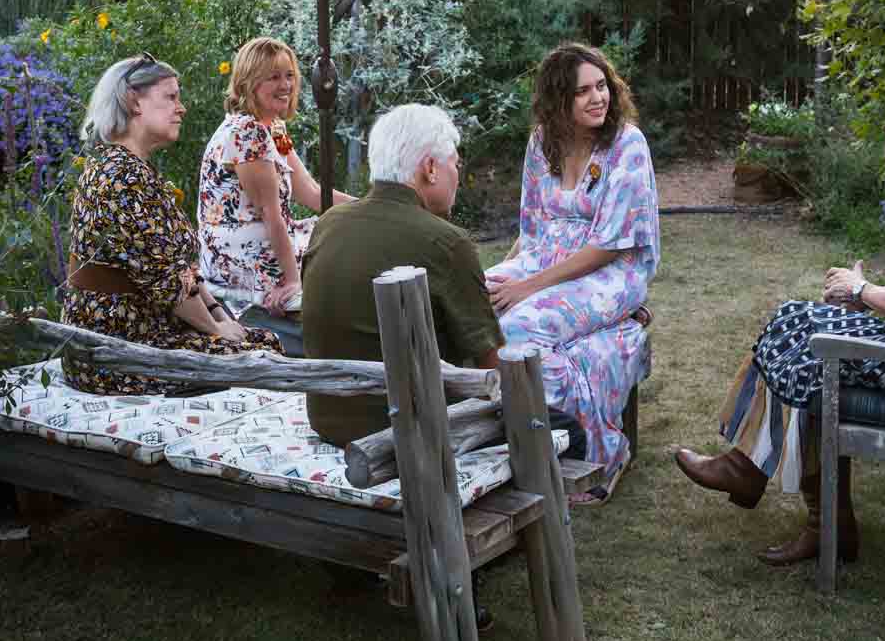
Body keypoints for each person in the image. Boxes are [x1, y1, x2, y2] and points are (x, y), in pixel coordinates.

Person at [674, 81, 885, 565]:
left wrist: (861, 293)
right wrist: (866, 291)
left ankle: (801, 507)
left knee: (814, 345)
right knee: (797, 317)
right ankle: (756, 475)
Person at [484, 43, 659, 499]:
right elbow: (532, 225)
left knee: (522, 327)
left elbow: (607, 245)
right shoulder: (543, 141)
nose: (598, 97)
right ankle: (498, 442)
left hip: (610, 271)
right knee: (472, 303)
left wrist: (526, 287)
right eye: (583, 91)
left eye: (602, 86)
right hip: (545, 258)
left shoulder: (627, 145)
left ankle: (589, 451)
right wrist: (504, 273)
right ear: (559, 99)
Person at [62, 52, 281, 396]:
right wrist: (215, 330)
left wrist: (221, 318)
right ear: (134, 102)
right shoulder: (123, 176)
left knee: (257, 342)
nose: (182, 107)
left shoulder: (126, 167)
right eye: (171, 96)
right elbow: (168, 283)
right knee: (259, 356)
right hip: (115, 350)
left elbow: (180, 270)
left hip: (136, 334)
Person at [301, 104, 503, 448]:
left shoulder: (329, 223)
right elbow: (492, 365)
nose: (457, 172)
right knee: (563, 426)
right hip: (409, 434)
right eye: (454, 162)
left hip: (329, 421)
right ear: (430, 168)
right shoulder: (447, 242)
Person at [198, 38, 353, 317]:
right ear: (249, 82)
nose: (285, 85)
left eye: (289, 75)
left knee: (339, 233)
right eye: (273, 77)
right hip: (238, 259)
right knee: (337, 251)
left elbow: (311, 192)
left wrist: (373, 209)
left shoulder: (273, 126)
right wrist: (293, 282)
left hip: (261, 241)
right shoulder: (247, 132)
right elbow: (270, 213)